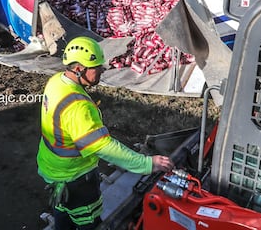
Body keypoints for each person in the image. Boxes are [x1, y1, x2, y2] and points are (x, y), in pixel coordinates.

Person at [36, 36, 174, 229]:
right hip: (75, 176)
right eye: (96, 67)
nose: (102, 70)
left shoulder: (57, 81)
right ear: (79, 69)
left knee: (64, 209)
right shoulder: (77, 106)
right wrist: (147, 163)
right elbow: (104, 146)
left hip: (52, 167)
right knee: (88, 220)